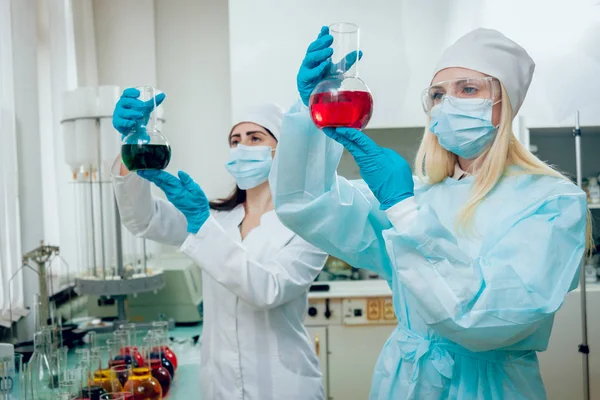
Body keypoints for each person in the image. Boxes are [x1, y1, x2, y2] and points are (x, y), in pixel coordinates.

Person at [270, 27, 592, 399]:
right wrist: (308, 113)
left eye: (468, 89)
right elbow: (307, 202)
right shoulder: (421, 194)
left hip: (489, 388)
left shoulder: (553, 202)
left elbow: (484, 317)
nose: (448, 103)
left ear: (506, 102)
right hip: (405, 382)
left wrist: (403, 210)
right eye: (438, 95)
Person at [111, 92, 327, 399]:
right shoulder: (216, 219)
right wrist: (129, 148)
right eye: (235, 140)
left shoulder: (307, 225)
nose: (242, 148)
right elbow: (143, 220)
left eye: (255, 138)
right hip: (220, 386)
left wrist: (202, 226)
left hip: (283, 387)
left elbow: (268, 290)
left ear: (284, 150)